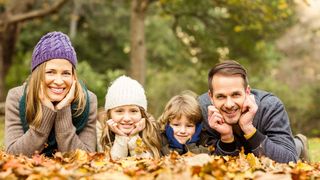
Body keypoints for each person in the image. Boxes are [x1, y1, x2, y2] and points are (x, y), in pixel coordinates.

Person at [4, 31, 97, 157]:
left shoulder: (87, 101)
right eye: (51, 72)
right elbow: (13, 154)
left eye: (66, 73)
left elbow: (86, 158)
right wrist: (45, 114)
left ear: (73, 76)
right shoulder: (17, 97)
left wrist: (63, 109)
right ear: (38, 74)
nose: (59, 81)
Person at [198, 60, 309, 163]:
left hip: (269, 145)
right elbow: (213, 163)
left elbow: (289, 159)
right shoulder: (202, 109)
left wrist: (248, 128)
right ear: (211, 97)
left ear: (247, 92)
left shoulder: (270, 106)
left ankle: (299, 143)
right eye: (221, 96)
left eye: (236, 94)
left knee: (292, 147)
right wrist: (226, 137)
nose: (229, 104)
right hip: (238, 151)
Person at [96, 75, 161, 159]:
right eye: (119, 111)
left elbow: (146, 165)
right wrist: (121, 138)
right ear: (109, 114)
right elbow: (110, 167)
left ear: (142, 114)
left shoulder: (150, 129)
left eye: (133, 111)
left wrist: (134, 137)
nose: (127, 118)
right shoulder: (100, 130)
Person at [158, 91, 209, 155]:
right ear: (167, 124)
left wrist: (191, 145)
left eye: (189, 126)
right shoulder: (158, 143)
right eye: (176, 125)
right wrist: (176, 148)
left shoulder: (206, 143)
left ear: (197, 127)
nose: (183, 131)